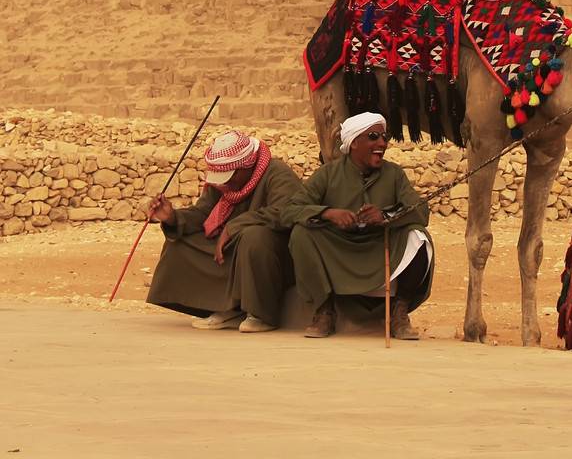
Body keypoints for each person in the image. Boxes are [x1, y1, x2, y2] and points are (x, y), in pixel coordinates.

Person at [286, 111, 434, 340]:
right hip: (339, 248)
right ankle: (324, 310)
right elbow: (290, 210)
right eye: (373, 137)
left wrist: (385, 215)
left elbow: (421, 211)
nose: (382, 143)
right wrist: (328, 213)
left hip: (379, 246)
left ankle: (399, 311)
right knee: (301, 233)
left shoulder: (394, 174)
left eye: (385, 137)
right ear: (354, 142)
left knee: (419, 237)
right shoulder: (328, 173)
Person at [144, 128, 306, 333]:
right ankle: (224, 308)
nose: (225, 183)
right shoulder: (223, 183)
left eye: (230, 176)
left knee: (254, 236)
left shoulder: (277, 173)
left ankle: (260, 313)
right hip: (231, 249)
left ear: (245, 166)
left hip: (270, 253)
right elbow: (204, 212)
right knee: (180, 241)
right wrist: (172, 217)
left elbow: (287, 213)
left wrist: (234, 226)